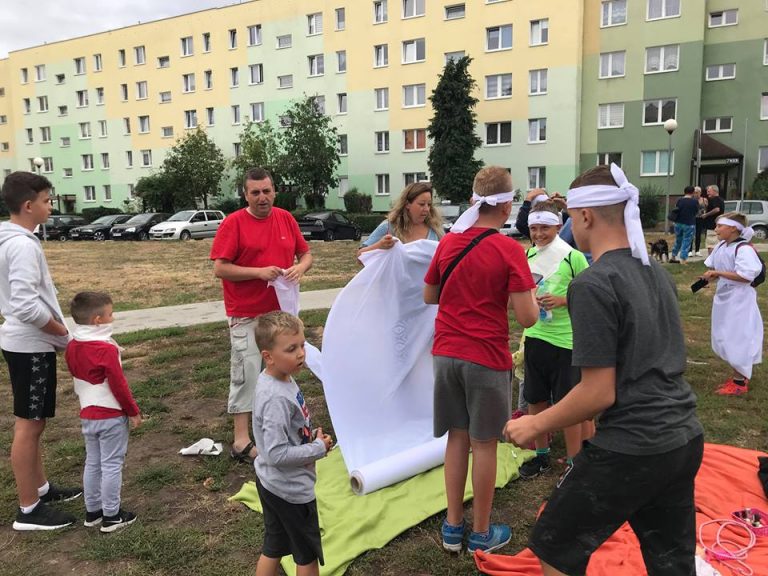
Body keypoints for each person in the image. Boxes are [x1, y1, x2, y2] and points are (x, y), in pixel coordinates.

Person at [504, 163, 704, 576]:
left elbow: (598, 393)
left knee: (552, 547)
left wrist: (534, 423)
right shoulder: (657, 273)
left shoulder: (593, 283)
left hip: (634, 445)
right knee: (672, 561)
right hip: (683, 437)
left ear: (586, 216)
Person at [424, 166, 539, 554]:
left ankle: (452, 528)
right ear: (507, 205)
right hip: (486, 356)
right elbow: (528, 317)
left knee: (456, 438)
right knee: (484, 443)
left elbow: (429, 295)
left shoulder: (448, 243)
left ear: (475, 201)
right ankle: (482, 533)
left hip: (445, 353)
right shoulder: (510, 250)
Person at [211, 168, 313, 463]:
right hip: (246, 313)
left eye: (266, 191)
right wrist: (258, 272)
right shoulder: (234, 223)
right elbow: (221, 267)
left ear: (274, 192)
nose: (262, 198)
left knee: (280, 368)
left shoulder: (285, 218)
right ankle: (241, 440)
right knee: (247, 372)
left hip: (279, 315)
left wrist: (300, 268)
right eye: (255, 192)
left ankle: (281, 424)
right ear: (245, 195)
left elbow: (306, 254)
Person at [0, 171, 82, 531]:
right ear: (29, 205)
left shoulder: (13, 238)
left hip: (26, 344)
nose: (51, 206)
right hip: (30, 345)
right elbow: (26, 306)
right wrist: (62, 333)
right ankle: (29, 509)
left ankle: (41, 488)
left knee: (36, 422)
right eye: (48, 200)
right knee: (29, 426)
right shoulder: (20, 245)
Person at [252, 311, 332, 576]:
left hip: (271, 484)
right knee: (306, 555)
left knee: (274, 545)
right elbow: (276, 453)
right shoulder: (275, 398)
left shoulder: (279, 377)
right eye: (291, 349)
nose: (301, 354)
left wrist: (309, 437)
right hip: (290, 490)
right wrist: (317, 448)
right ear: (268, 356)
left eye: (301, 346)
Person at [518, 202, 591, 479]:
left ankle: (574, 462)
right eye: (534, 228)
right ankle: (541, 455)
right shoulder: (528, 254)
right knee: (535, 398)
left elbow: (590, 296)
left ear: (558, 227)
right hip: (536, 335)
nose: (538, 233)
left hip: (566, 340)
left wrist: (562, 300)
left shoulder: (573, 257)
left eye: (545, 228)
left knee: (567, 402)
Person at [65, 292, 142, 532]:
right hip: (111, 416)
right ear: (98, 320)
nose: (113, 317)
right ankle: (112, 515)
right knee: (111, 464)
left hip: (87, 414)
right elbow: (118, 385)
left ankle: (93, 511)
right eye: (110, 314)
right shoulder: (105, 349)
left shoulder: (73, 346)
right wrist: (132, 411)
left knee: (93, 463)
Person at [700, 212, 763, 396]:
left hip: (740, 299)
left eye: (720, 226)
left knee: (737, 337)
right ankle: (738, 374)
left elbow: (746, 276)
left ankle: (739, 382)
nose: (716, 229)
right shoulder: (721, 246)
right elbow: (717, 268)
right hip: (725, 297)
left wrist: (719, 273)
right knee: (724, 336)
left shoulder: (744, 249)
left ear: (733, 228)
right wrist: (709, 277)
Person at [358, 181, 443, 256]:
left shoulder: (435, 230)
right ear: (407, 204)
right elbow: (360, 256)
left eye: (429, 204)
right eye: (421, 204)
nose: (426, 209)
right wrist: (379, 245)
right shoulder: (389, 227)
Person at [669, 185, 699, 264]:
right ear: (693, 192)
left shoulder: (679, 200)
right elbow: (696, 211)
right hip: (689, 223)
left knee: (678, 240)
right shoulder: (694, 201)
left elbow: (676, 210)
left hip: (678, 223)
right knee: (687, 241)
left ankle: (673, 256)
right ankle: (683, 259)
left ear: (684, 192)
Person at [702, 184, 725, 252]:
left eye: (709, 191)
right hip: (717, 225)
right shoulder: (720, 199)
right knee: (717, 244)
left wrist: (706, 214)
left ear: (715, 191)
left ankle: (711, 259)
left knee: (711, 245)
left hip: (712, 226)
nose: (707, 193)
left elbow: (717, 209)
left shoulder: (715, 199)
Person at [693, 186, 708, 257]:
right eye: (695, 192)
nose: (696, 194)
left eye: (697, 192)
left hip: (701, 218)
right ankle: (689, 250)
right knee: (691, 234)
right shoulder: (692, 200)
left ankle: (697, 250)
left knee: (698, 234)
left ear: (700, 193)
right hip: (693, 218)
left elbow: (707, 208)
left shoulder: (704, 200)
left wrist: (705, 213)